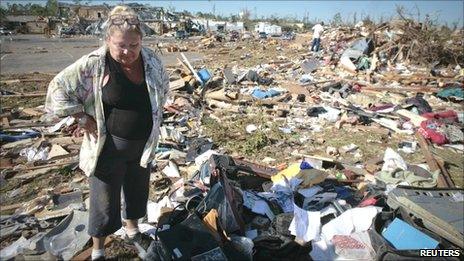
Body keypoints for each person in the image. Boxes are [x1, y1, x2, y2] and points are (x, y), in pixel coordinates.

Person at [45, 5, 169, 260]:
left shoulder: (152, 59)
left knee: (137, 191)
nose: (128, 52)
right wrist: (80, 115)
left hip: (143, 147)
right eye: (120, 45)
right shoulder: (95, 64)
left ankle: (133, 230)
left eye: (133, 45)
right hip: (108, 148)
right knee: (104, 200)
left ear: (141, 41)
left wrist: (158, 111)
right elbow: (58, 87)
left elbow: (164, 86)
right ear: (108, 40)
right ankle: (99, 249)